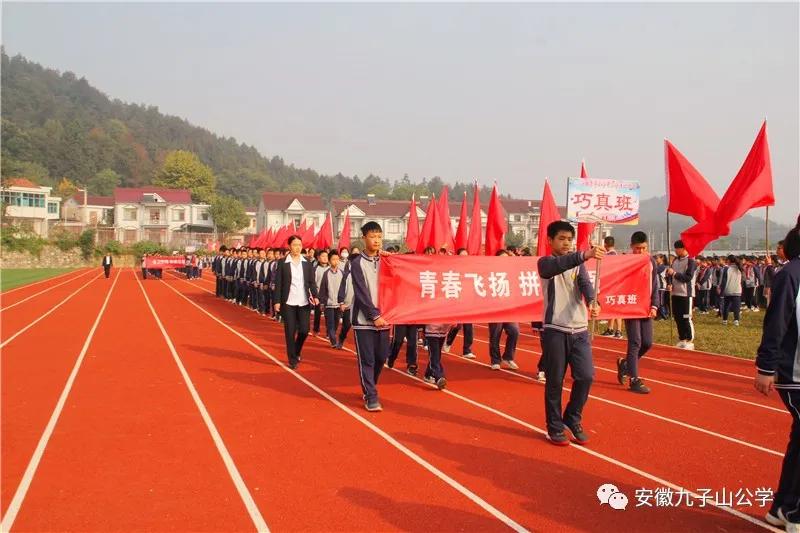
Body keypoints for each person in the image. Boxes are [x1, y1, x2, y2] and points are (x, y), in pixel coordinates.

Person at [538, 220, 604, 446]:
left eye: (569, 239)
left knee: (586, 376)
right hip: (555, 330)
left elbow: (585, 285)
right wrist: (584, 255)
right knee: (555, 381)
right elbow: (558, 266)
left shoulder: (578, 265)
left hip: (580, 330)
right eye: (561, 239)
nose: (566, 243)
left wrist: (595, 301)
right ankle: (554, 426)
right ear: (550, 240)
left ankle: (572, 417)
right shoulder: (546, 263)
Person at [756, 218, 800, 532]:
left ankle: (783, 507)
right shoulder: (790, 274)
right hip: (794, 373)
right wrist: (766, 367)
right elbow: (776, 322)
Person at [349, 222, 390, 412]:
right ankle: (371, 395)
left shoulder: (387, 261)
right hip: (364, 320)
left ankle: (369, 385)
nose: (377, 240)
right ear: (364, 238)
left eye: (379, 237)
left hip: (385, 318)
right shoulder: (357, 262)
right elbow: (361, 292)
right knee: (368, 359)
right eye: (373, 236)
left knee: (381, 357)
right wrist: (374, 315)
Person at [616, 232, 659, 394]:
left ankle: (625, 365)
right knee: (635, 342)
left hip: (646, 307)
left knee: (647, 343)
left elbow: (654, 285)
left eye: (643, 248)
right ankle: (634, 379)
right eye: (637, 248)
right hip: (631, 305)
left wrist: (655, 305)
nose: (640, 251)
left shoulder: (651, 262)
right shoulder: (626, 262)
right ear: (631, 247)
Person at [273, 236, 319, 370]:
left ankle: (297, 350)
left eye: (300, 244)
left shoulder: (307, 262)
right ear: (289, 246)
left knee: (304, 330)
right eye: (294, 245)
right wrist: (276, 301)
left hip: (303, 301)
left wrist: (315, 296)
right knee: (290, 331)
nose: (298, 247)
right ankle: (292, 359)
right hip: (288, 302)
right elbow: (279, 283)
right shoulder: (283, 263)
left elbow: (311, 282)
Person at [488, 250, 520, 371]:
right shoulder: (491, 274)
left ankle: (508, 357)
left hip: (509, 309)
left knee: (514, 331)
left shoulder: (511, 273)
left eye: (506, 259)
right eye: (502, 259)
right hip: (495, 309)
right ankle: (495, 360)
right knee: (495, 335)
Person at [443, 249, 476, 360]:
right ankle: (448, 341)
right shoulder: (454, 269)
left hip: (468, 302)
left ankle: (467, 350)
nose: (464, 258)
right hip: (456, 302)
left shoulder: (471, 269)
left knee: (469, 326)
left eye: (466, 256)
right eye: (462, 256)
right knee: (457, 326)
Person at [667, 240, 697, 350]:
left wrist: (674, 274)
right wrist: (669, 283)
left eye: (677, 248)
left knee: (686, 317)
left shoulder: (691, 261)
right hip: (675, 293)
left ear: (683, 248)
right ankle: (682, 338)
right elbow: (669, 275)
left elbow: (687, 278)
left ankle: (689, 338)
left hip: (686, 294)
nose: (675, 251)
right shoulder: (675, 260)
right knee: (678, 317)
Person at [318, 251, 345, 347]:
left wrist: (343, 301)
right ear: (329, 261)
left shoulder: (342, 273)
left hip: (338, 304)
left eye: (337, 259)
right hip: (328, 303)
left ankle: (332, 335)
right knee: (330, 324)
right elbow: (323, 289)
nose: (336, 261)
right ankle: (333, 341)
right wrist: (322, 303)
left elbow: (345, 288)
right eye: (333, 259)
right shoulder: (326, 274)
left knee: (336, 323)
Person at [600, 236, 623, 338]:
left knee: (616, 307)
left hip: (614, 284)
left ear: (605, 244)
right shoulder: (613, 254)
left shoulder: (610, 255)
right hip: (613, 284)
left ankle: (618, 330)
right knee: (611, 306)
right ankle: (610, 329)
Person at [719, 255, 744, 326]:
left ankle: (725, 320)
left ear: (729, 261)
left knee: (726, 306)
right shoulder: (739, 268)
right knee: (736, 307)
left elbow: (724, 281)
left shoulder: (726, 269)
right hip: (737, 290)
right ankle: (736, 320)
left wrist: (721, 291)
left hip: (728, 290)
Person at [312, 250, 330, 335]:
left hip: (329, 295)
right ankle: (316, 329)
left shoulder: (331, 269)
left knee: (328, 315)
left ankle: (328, 332)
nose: (325, 258)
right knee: (318, 313)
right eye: (323, 256)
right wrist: (315, 294)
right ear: (318, 258)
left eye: (326, 256)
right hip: (319, 295)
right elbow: (313, 283)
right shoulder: (315, 269)